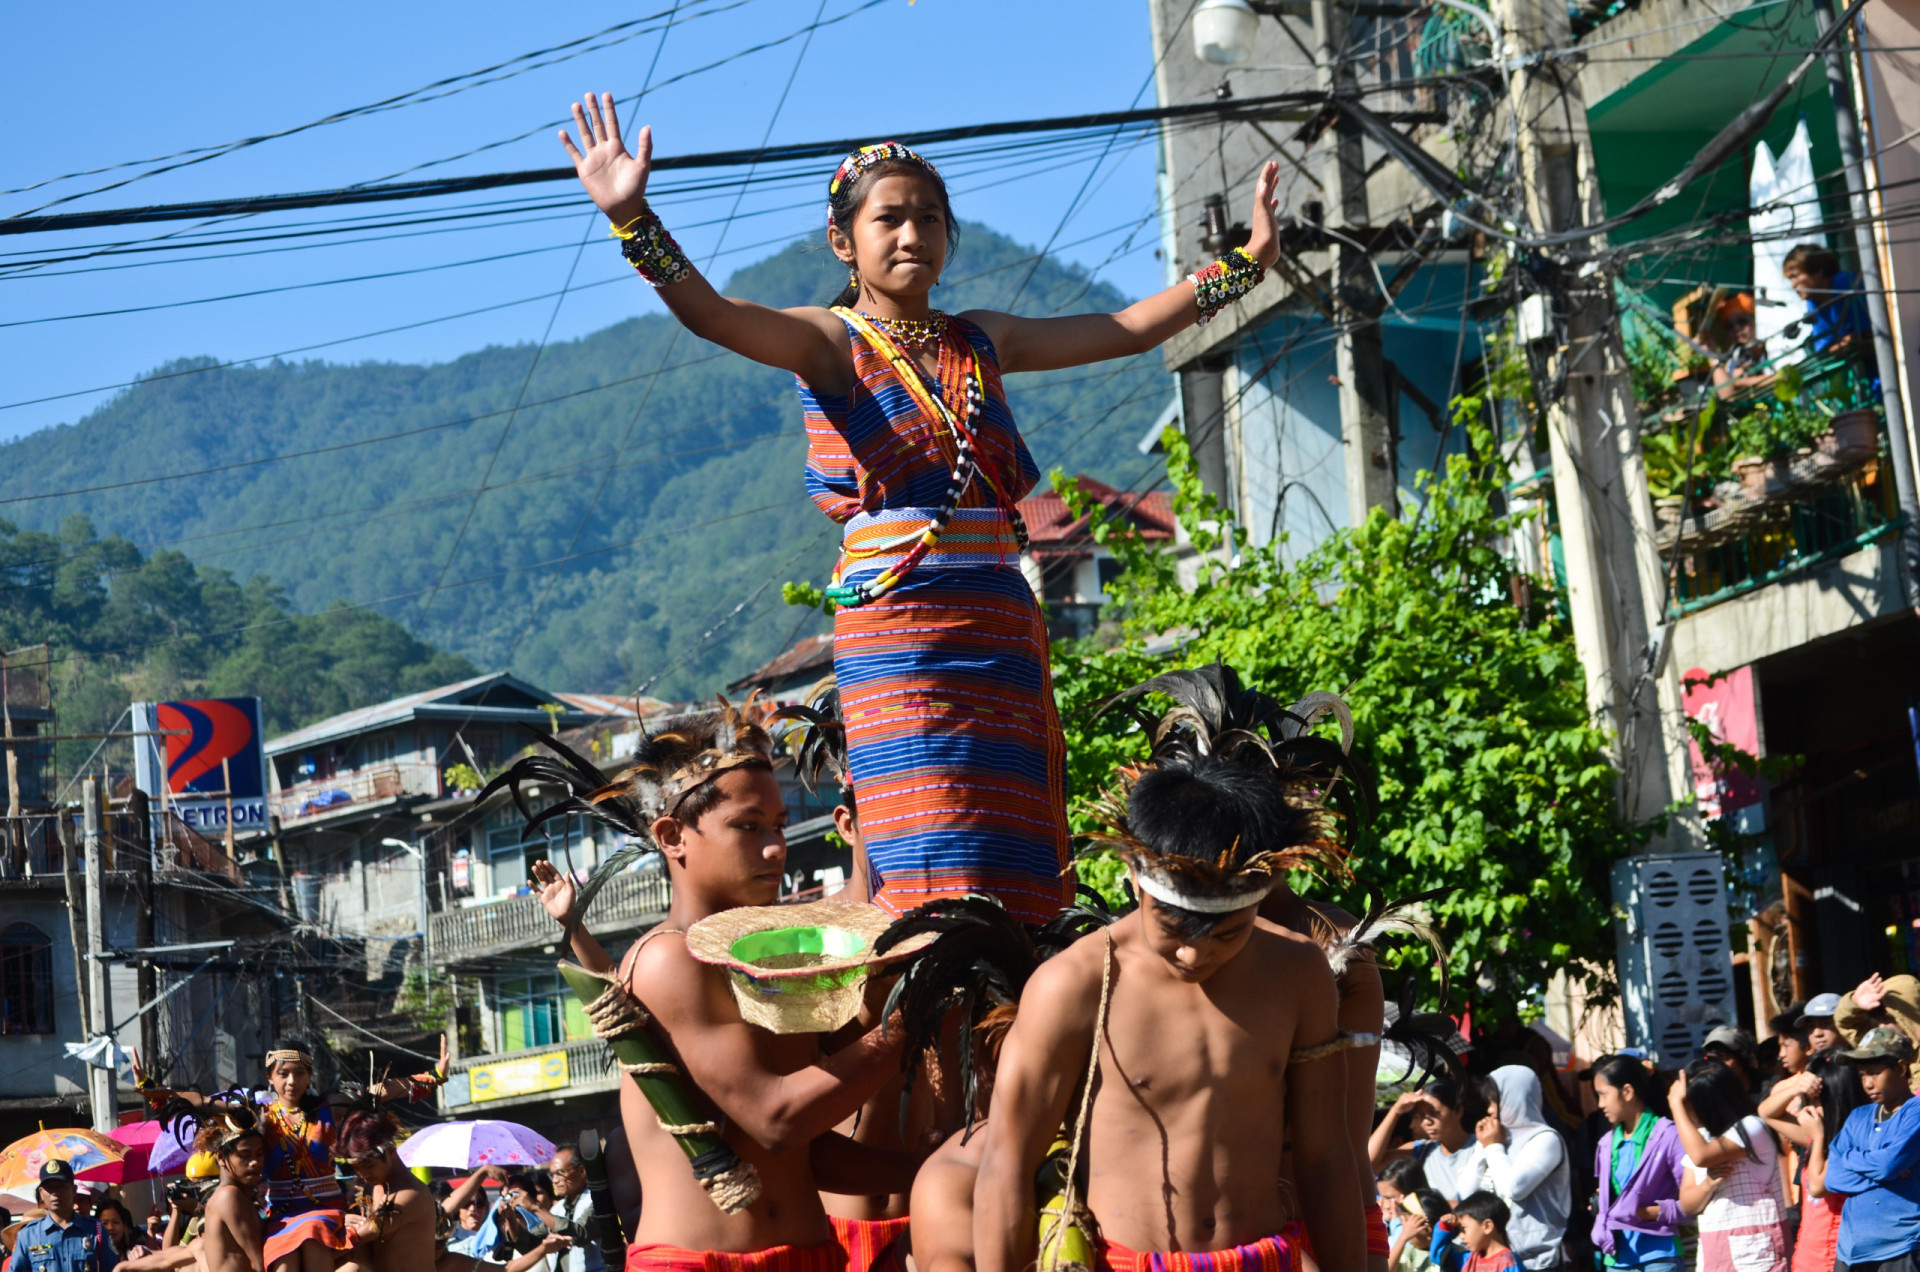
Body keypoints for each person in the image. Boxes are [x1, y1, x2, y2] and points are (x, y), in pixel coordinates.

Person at [555, 92, 1284, 924]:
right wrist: (631, 216)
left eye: (930, 219)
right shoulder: (828, 340)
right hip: (901, 633)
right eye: (889, 219)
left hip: (1000, 620)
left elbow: (1127, 327)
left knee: (1021, 848)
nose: (912, 235)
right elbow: (714, 316)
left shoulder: (983, 338)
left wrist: (1246, 264)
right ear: (844, 241)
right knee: (930, 836)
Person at [521, 705, 919, 1270]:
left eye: (779, 825)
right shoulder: (667, 960)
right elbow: (775, 1121)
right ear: (671, 836)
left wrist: (942, 1167)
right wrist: (904, 1025)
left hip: (816, 1255)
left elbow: (803, 1154)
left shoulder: (769, 955)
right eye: (748, 826)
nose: (776, 847)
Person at [972, 731, 1364, 1272]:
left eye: (1226, 935)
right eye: (1172, 927)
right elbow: (1007, 1165)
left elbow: (1326, 1158)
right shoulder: (1073, 986)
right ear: (1134, 877)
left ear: (1264, 893)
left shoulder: (1298, 973)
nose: (1192, 953)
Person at [135, 1037, 449, 1272]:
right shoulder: (257, 1114)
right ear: (270, 1076)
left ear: (309, 1076)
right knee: (282, 1266)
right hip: (281, 1216)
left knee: (314, 1242)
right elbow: (202, 1101)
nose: (291, 1081)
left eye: (300, 1073)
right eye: (283, 1073)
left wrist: (432, 1076)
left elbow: (376, 1094)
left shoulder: (330, 1107)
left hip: (326, 1209)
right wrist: (152, 1089)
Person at [1671, 1059, 1788, 1272]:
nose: (1686, 1113)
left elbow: (1701, 1157)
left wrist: (1674, 1104)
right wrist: (1708, 1184)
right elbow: (1687, 1204)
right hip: (1714, 1251)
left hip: (1757, 1254)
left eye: (1690, 1105)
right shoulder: (1700, 1137)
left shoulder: (1751, 1126)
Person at [1821, 1027, 1920, 1272]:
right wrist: (1888, 1174)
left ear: (1900, 1068)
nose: (1867, 1083)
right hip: (1851, 1251)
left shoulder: (1915, 1113)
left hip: (1901, 1248)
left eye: (1875, 1073)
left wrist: (1851, 1159)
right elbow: (1833, 1178)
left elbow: (1887, 1164)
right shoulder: (1858, 1117)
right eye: (1862, 1074)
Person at [1460, 1067, 1570, 1272]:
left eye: (1495, 1101)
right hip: (1496, 1261)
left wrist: (1493, 1147)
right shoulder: (1497, 1139)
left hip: (1537, 1263)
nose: (1491, 1110)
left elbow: (1513, 1189)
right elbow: (1466, 1194)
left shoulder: (1545, 1139)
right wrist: (1480, 1149)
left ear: (1516, 1098)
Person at [1590, 1056, 1687, 1272]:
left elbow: (1691, 1201)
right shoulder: (1606, 1144)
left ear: (1627, 1092)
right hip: (1616, 1259)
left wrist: (1646, 1213)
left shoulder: (1668, 1134)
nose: (1600, 1104)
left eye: (1603, 1094)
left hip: (1661, 1257)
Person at [1787, 1051, 1867, 1272]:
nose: (1811, 1109)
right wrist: (1797, 1087)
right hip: (1805, 1260)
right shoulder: (1815, 1140)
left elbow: (1819, 1186)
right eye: (1809, 1100)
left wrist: (1819, 1136)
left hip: (1831, 1261)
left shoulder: (1851, 1145)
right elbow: (1767, 1113)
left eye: (1818, 1101)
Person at [336, 1110, 438, 1272]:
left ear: (390, 1152)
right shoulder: (371, 1188)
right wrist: (344, 1220)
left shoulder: (409, 1195)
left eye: (369, 1166)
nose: (364, 1175)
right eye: (357, 1168)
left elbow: (352, 1240)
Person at [1374, 1081, 1488, 1201]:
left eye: (1434, 1113)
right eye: (1421, 1115)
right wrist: (1396, 1111)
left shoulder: (1482, 1147)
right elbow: (1371, 1163)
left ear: (1458, 1110)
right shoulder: (1423, 1150)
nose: (1427, 1122)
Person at [5, 1162, 119, 1272]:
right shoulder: (28, 1236)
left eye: (61, 1186)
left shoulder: (96, 1230)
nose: (55, 1193)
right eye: (50, 1188)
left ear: (74, 1190)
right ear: (41, 1193)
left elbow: (112, 1268)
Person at [1782, 245, 1870, 354]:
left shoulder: (1845, 284)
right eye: (1790, 279)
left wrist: (1850, 340)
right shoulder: (1813, 301)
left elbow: (1871, 331)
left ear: (1817, 270)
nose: (1793, 285)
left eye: (1795, 276)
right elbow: (1824, 347)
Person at [530, 1150, 602, 1272]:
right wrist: (511, 1218)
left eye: (560, 1173)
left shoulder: (596, 1199)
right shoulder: (558, 1208)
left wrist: (536, 1208)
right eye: (552, 1175)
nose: (555, 1180)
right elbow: (532, 1241)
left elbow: (580, 1233)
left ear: (582, 1171)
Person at [1428, 1193, 1522, 1272]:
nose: (1461, 1236)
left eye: (1463, 1229)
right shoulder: (1469, 1259)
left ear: (1487, 1226)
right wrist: (1444, 1227)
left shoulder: (1508, 1263)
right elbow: (1440, 1256)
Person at [1704, 1029, 1763, 1096]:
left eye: (1723, 1057)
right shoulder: (1707, 1092)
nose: (1715, 1064)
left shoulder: (1770, 1090)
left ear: (1743, 1059)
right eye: (1711, 1059)